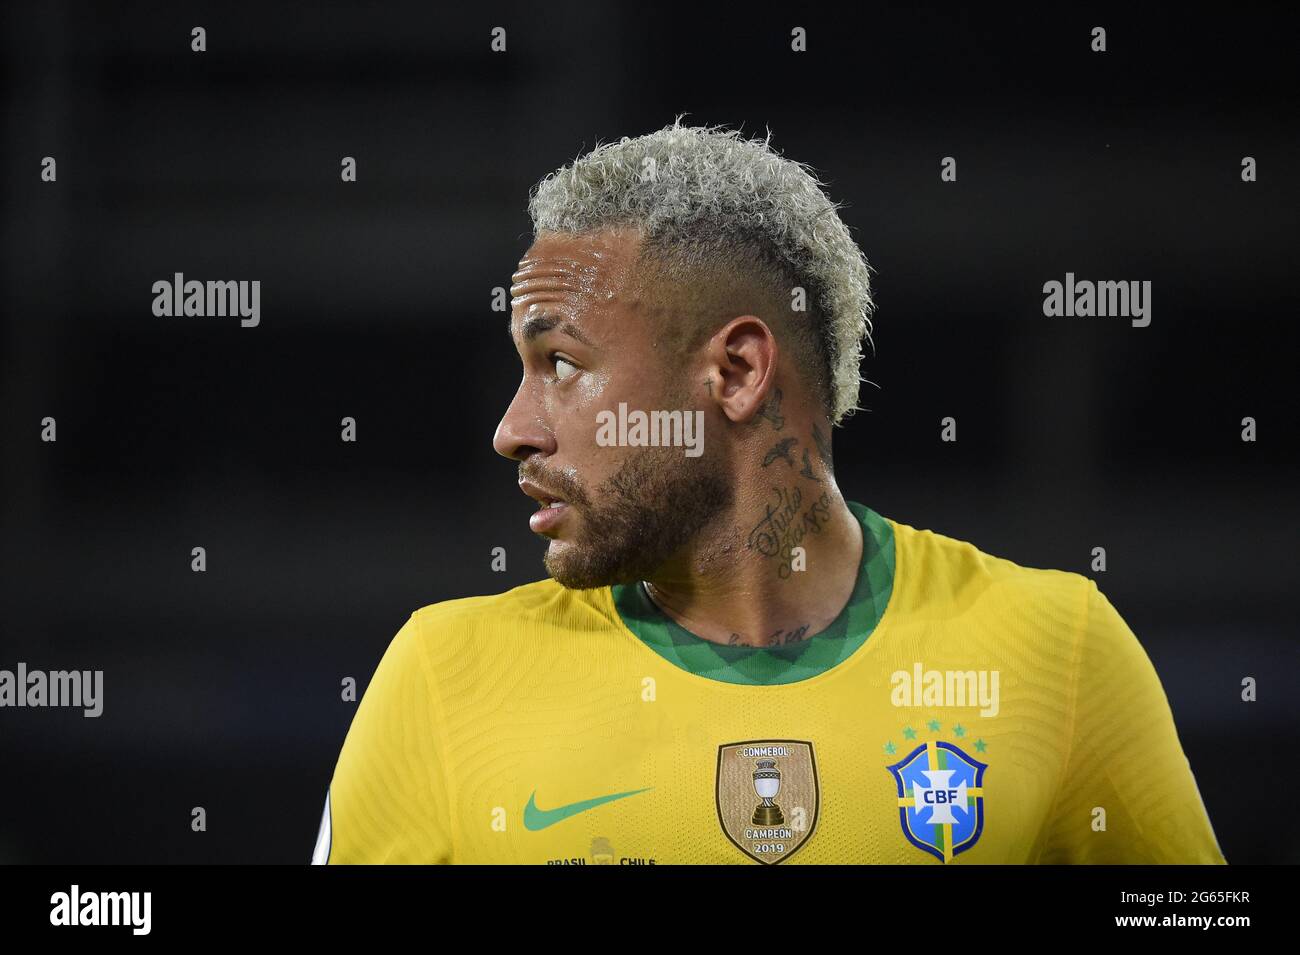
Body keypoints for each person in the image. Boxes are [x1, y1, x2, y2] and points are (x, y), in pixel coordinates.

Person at [315, 121, 1224, 865]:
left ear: (739, 371)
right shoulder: (443, 680)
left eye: (561, 363)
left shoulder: (1056, 652)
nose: (513, 429)